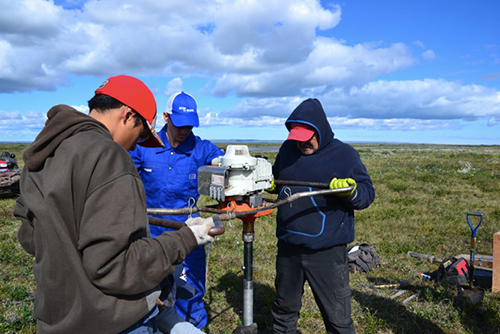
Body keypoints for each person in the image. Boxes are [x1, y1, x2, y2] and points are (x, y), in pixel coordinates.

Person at [13, 75, 215, 334]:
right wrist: (186, 237)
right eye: (141, 133)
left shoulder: (46, 151)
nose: (136, 144)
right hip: (113, 320)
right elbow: (115, 266)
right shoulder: (110, 156)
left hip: (57, 315)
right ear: (128, 115)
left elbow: (29, 237)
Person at [268, 98, 375, 334]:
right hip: (289, 248)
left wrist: (351, 192)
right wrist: (266, 184)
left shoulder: (344, 154)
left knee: (337, 319)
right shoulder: (287, 150)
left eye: (308, 139)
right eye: (298, 140)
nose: (303, 145)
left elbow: (367, 194)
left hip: (327, 252)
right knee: (284, 312)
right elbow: (277, 182)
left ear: (321, 130)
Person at [129, 91, 224, 329]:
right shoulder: (144, 147)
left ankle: (193, 327)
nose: (184, 131)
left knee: (189, 291)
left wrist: (221, 164)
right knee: (149, 291)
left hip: (188, 233)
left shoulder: (201, 148)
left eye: (190, 126)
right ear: (165, 117)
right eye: (179, 124)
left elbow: (224, 161)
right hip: (150, 234)